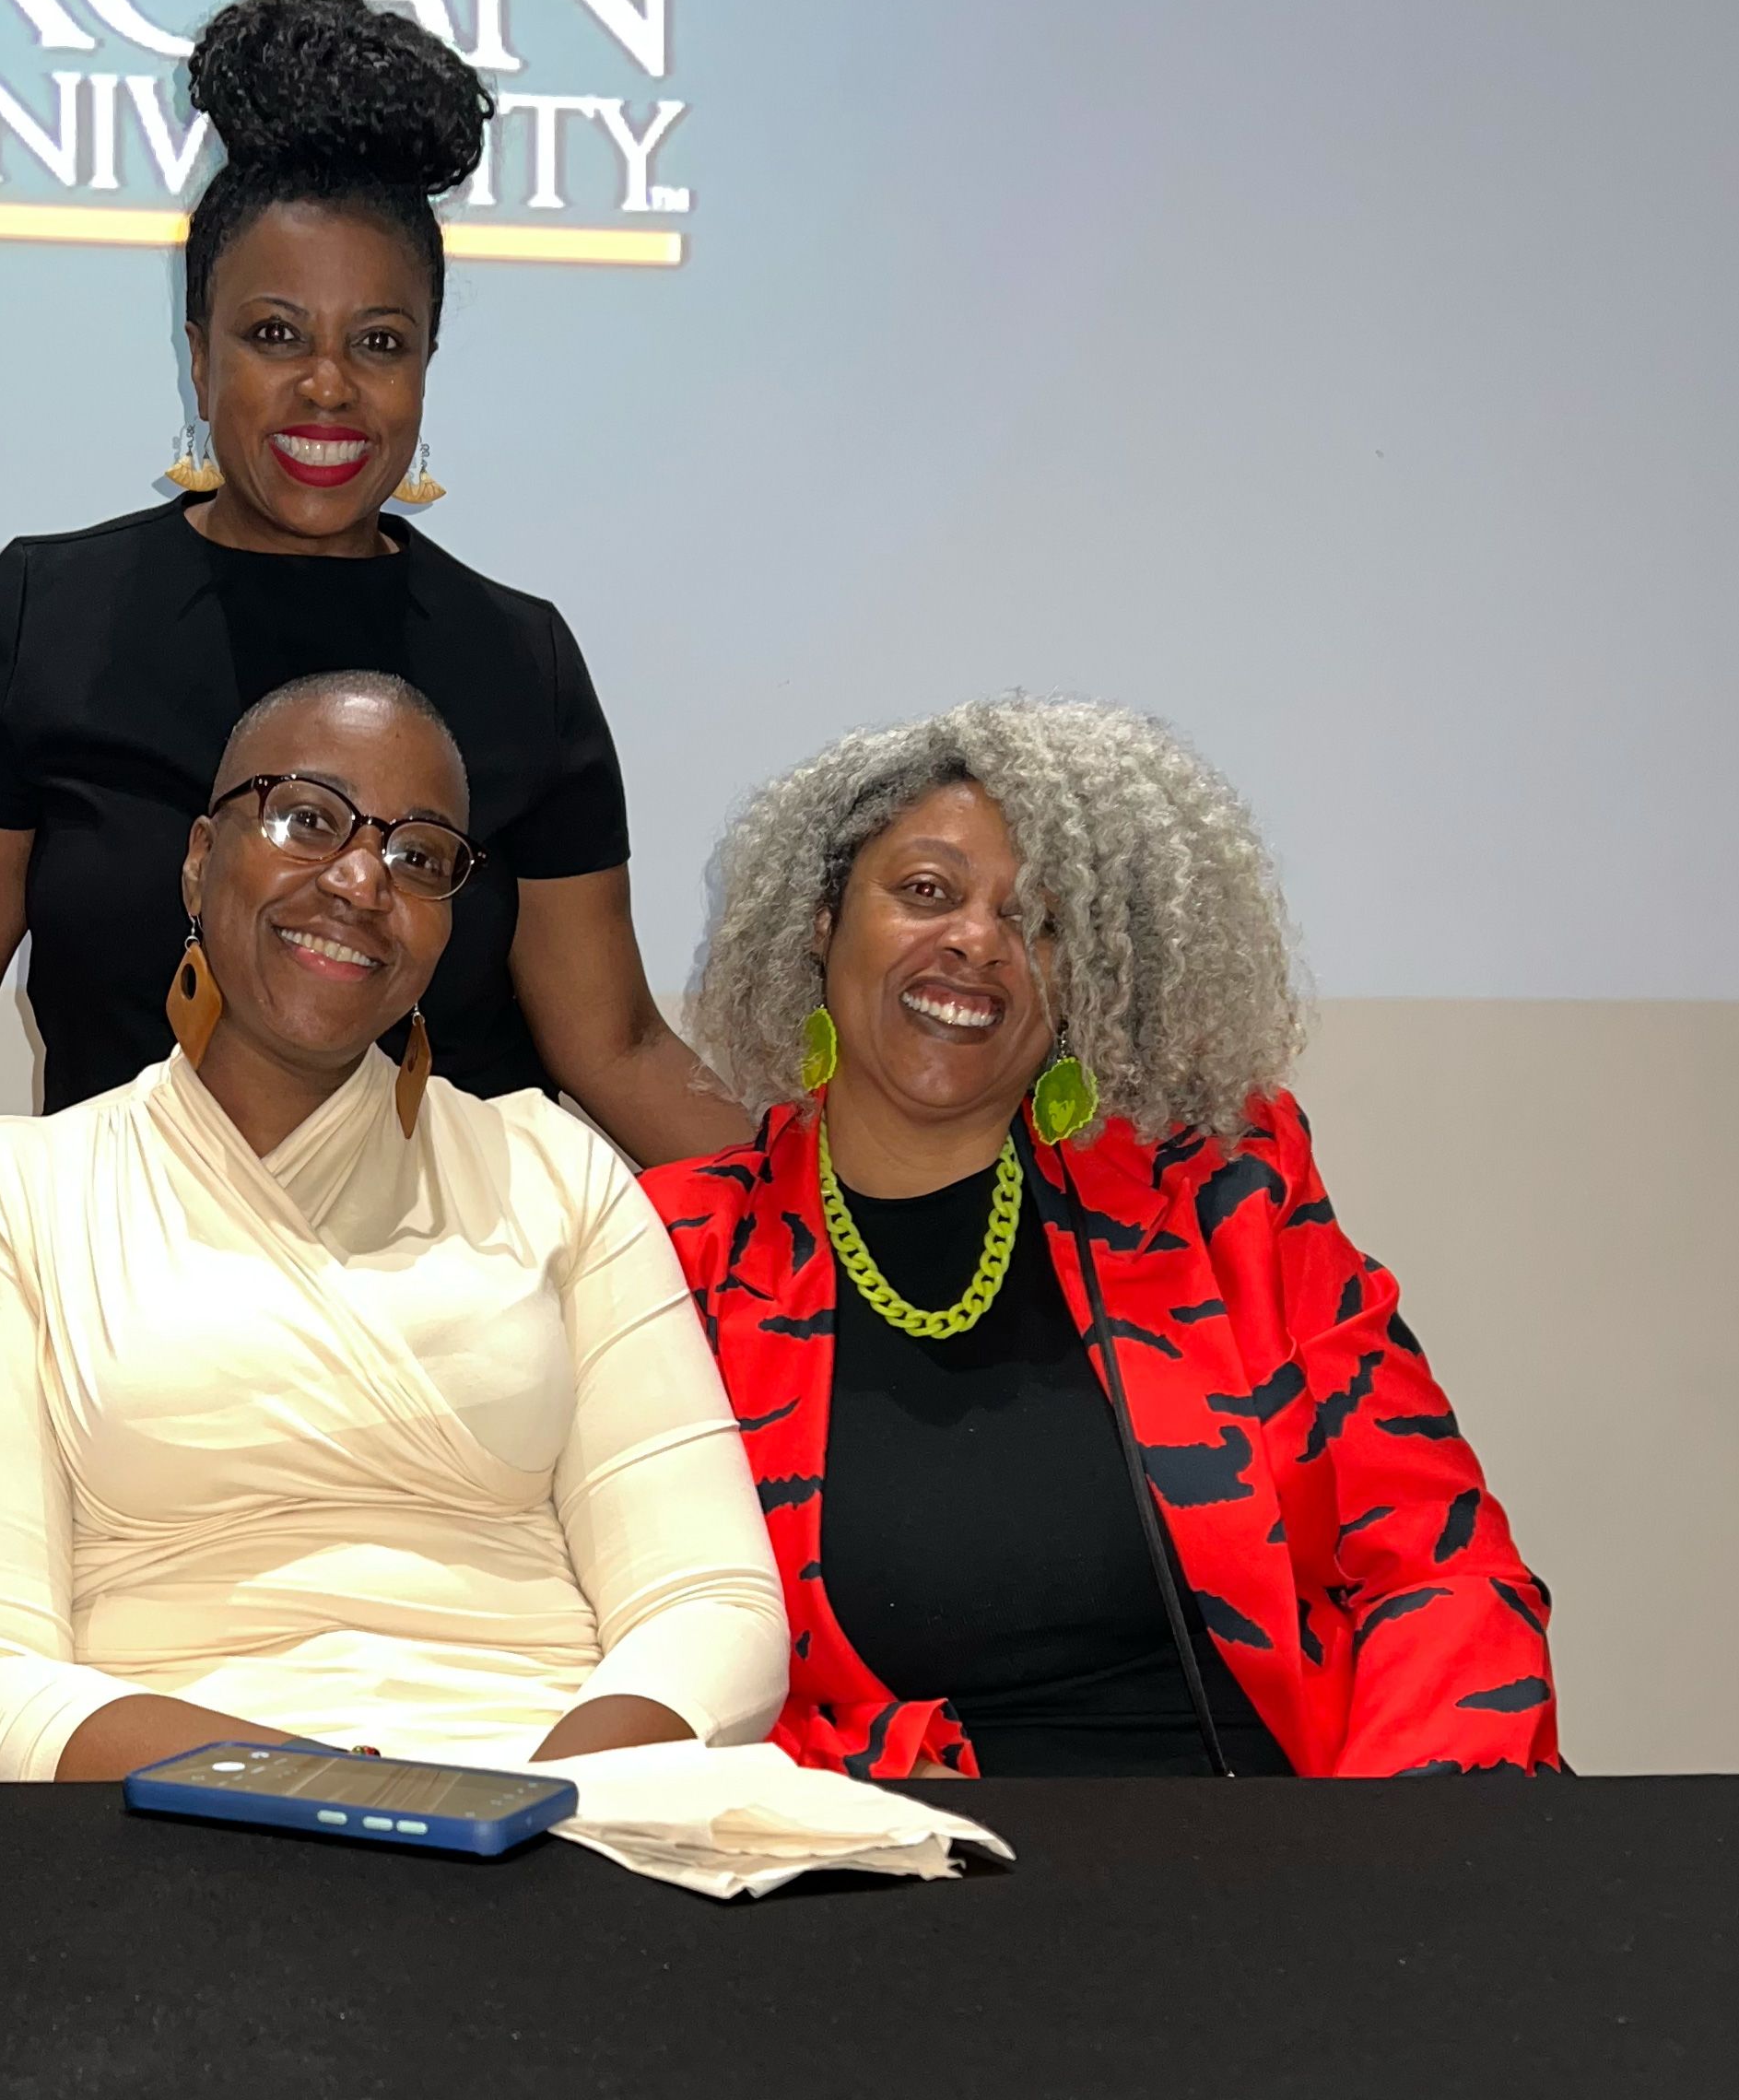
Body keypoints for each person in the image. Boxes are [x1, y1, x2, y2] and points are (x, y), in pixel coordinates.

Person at [0, 0, 746, 1167]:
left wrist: (833, 1246)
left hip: (452, 1293)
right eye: (276, 335)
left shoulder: (517, 659)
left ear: (428, 364)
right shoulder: (50, 617)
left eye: (379, 342)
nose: (329, 387)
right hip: (122, 1285)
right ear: (198, 352)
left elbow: (622, 1047)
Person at [0, 673, 785, 1780]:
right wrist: (354, 1800)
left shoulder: (560, 1174)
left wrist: (528, 1807)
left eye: (420, 855)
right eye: (307, 817)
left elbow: (712, 1602)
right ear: (201, 858)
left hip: (570, 1808)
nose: (359, 880)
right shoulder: (5, 1191)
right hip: (172, 1829)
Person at [642, 698, 1560, 1779]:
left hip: (1292, 1860)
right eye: (925, 891)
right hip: (906, 1888)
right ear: (819, 921)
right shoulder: (682, 1250)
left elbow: (1440, 1564)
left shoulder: (1228, 1192)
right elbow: (616, 1648)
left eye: (1040, 917)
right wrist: (851, 1774)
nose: (979, 940)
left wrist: (1394, 1853)